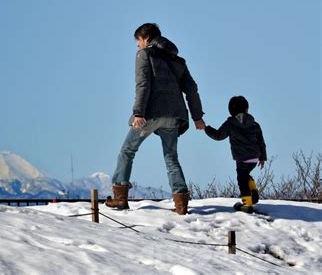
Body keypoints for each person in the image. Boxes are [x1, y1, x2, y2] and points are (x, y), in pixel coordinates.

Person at [105, 23, 205, 215]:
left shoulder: (144, 55)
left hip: (150, 114)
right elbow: (191, 90)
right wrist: (198, 117)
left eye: (139, 41)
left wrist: (138, 113)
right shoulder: (178, 61)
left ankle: (119, 197)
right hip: (174, 116)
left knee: (127, 151)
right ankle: (181, 204)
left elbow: (143, 85)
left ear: (147, 38)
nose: (137, 45)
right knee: (171, 158)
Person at [204, 96, 267, 213]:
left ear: (230, 110)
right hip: (254, 158)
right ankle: (253, 193)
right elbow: (261, 142)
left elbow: (218, 136)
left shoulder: (230, 124)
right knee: (246, 174)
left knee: (242, 179)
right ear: (247, 109)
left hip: (242, 158)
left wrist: (206, 128)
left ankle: (247, 204)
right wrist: (262, 157)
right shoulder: (255, 124)